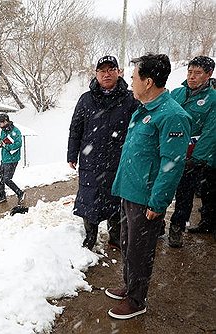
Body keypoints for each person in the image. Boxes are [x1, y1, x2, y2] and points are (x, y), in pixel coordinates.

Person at [106, 54, 191, 320]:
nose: (129, 82)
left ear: (149, 81)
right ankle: (129, 286)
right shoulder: (143, 109)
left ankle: (136, 299)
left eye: (133, 77)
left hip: (146, 198)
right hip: (129, 191)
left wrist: (158, 203)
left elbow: (172, 164)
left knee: (140, 251)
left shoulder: (173, 116)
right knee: (127, 244)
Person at [67, 55, 138, 250]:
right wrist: (72, 154)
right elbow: (76, 128)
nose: (106, 74)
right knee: (89, 198)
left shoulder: (130, 98)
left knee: (117, 198)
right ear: (96, 74)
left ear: (118, 72)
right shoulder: (86, 99)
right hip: (91, 160)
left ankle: (115, 236)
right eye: (102, 70)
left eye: (110, 69)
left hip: (119, 159)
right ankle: (91, 236)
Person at [168, 56, 216, 247]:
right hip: (170, 152)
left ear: (208, 75)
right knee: (163, 189)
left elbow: (211, 132)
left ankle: (177, 227)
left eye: (197, 73)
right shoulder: (176, 93)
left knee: (185, 195)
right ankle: (154, 226)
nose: (192, 77)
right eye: (189, 72)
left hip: (191, 157)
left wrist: (197, 158)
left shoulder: (213, 100)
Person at [0, 113, 25, 205]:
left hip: (12, 159)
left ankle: (20, 193)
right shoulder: (3, 131)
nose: (0, 125)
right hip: (4, 158)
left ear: (6, 121)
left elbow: (18, 145)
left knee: (7, 179)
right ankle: (2, 196)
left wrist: (5, 145)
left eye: (1, 123)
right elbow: (3, 142)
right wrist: (0, 144)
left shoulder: (16, 131)